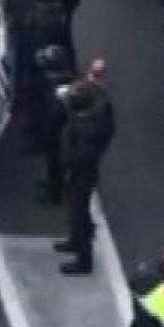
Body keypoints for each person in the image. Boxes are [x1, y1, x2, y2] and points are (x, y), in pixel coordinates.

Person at [57, 81, 115, 274]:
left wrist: (66, 152)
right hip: (84, 172)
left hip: (80, 174)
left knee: (79, 214)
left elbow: (77, 157)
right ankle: (75, 241)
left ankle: (84, 261)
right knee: (77, 211)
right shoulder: (98, 119)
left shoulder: (83, 130)